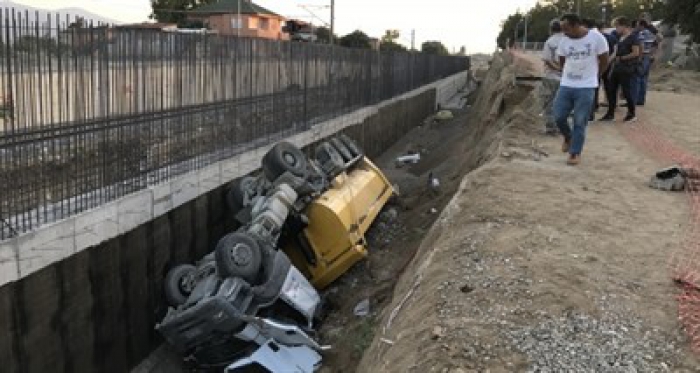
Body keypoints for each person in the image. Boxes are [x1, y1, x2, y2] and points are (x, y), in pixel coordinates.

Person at [553, 13, 609, 166]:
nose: (564, 32)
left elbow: (604, 59)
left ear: (576, 25)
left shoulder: (596, 38)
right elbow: (562, 61)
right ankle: (568, 137)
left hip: (586, 86)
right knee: (558, 116)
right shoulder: (564, 41)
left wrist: (596, 76)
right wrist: (569, 75)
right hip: (567, 84)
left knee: (580, 120)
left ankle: (574, 152)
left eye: (566, 28)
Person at [600, 17, 641, 123]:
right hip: (617, 67)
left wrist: (622, 58)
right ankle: (610, 112)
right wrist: (607, 62)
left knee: (627, 91)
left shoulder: (633, 38)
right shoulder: (620, 38)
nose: (616, 28)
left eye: (617, 26)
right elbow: (615, 52)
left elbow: (636, 53)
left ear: (624, 26)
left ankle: (631, 113)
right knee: (611, 89)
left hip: (627, 68)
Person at [541, 19, 564, 135]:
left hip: (551, 77)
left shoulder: (550, 41)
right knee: (564, 103)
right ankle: (563, 127)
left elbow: (547, 59)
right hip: (566, 78)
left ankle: (551, 128)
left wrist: (557, 68)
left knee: (549, 102)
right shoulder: (568, 40)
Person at [635, 19, 661, 105]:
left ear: (642, 25)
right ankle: (641, 99)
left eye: (638, 25)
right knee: (644, 79)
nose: (636, 27)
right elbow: (655, 44)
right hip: (648, 56)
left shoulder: (641, 33)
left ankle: (636, 99)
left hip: (642, 57)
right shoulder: (651, 34)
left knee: (638, 77)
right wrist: (652, 55)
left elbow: (641, 46)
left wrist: (639, 57)